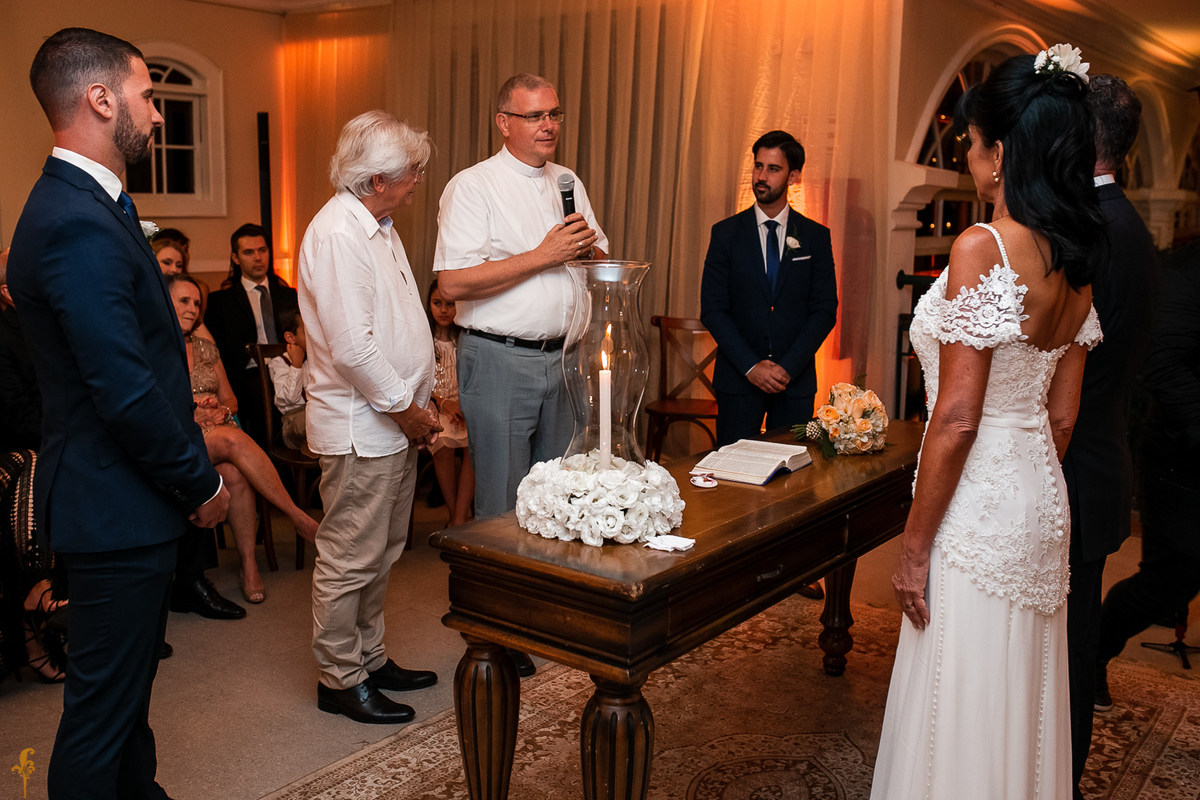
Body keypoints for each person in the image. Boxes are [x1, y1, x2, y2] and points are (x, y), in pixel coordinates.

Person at [870, 45, 1104, 799]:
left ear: (1000, 155)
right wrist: (1025, 480)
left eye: (970, 144)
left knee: (960, 691)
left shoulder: (984, 246)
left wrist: (913, 548)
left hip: (976, 501)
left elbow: (959, 415)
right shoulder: (1074, 258)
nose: (967, 158)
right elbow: (1061, 417)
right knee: (1020, 690)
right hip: (1038, 495)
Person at [6, 27, 229, 800]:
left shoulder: (92, 203)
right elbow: (123, 389)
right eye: (147, 96)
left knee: (125, 700)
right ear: (101, 99)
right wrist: (200, 484)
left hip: (121, 501)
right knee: (100, 717)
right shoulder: (72, 217)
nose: (158, 115)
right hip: (113, 503)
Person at [298, 110, 441, 724]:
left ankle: (370, 657)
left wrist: (419, 401)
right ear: (378, 179)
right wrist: (408, 411)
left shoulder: (378, 225)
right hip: (364, 427)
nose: (417, 181)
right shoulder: (339, 233)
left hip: (394, 421)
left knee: (382, 550)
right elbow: (353, 349)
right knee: (350, 556)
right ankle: (340, 677)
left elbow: (396, 323)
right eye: (412, 172)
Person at [433, 73, 609, 520]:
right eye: (534, 116)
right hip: (501, 359)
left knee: (560, 497)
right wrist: (543, 256)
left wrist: (586, 250)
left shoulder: (567, 180)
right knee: (503, 505)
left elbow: (601, 256)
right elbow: (452, 284)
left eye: (554, 114)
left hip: (564, 356)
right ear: (504, 122)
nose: (548, 125)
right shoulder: (473, 186)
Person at [1058, 74, 1159, 797]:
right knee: (1072, 640)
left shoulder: (1089, 233)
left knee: (1064, 652)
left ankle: (1057, 780)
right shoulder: (1133, 228)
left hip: (1068, 470)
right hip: (1099, 465)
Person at [1094, 239, 1200, 708]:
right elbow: (1162, 362)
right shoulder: (1187, 270)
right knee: (1169, 582)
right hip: (1182, 458)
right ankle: (1095, 652)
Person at [168, 274, 319, 602]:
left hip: (217, 428)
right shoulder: (155, 349)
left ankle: (248, 564)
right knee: (233, 441)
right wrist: (191, 414)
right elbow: (151, 406)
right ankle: (296, 515)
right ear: (164, 302)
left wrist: (218, 409)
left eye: (197, 303)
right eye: (184, 301)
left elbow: (231, 400)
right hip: (180, 435)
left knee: (234, 474)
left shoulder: (207, 349)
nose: (192, 308)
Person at [700, 130, 839, 447]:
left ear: (793, 176)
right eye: (758, 166)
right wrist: (751, 367)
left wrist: (788, 368)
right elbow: (713, 309)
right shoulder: (725, 234)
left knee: (791, 471)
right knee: (734, 470)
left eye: (773, 169)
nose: (761, 177)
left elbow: (824, 309)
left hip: (794, 383)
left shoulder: (815, 237)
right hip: (738, 381)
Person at [205, 223, 299, 449]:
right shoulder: (221, 301)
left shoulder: (288, 294)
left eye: (262, 250)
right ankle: (270, 459)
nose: (258, 257)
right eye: (248, 252)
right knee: (259, 392)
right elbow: (217, 353)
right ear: (235, 258)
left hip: (290, 366)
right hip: (249, 375)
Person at [426, 279, 475, 527]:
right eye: (437, 303)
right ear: (429, 304)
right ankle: (455, 514)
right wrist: (444, 404)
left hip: (464, 405)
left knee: (475, 446)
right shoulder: (423, 340)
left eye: (450, 304)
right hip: (435, 406)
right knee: (442, 442)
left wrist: (463, 406)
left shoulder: (465, 339)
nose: (444, 310)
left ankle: (460, 516)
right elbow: (419, 383)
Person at [0, 248, 43, 452]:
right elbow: (19, 412)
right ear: (8, 292)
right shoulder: (5, 337)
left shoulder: (48, 322)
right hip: (34, 451)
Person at [268, 307, 311, 453]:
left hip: (315, 412)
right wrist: (296, 365)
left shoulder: (314, 360)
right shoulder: (279, 363)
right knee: (312, 420)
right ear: (290, 337)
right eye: (307, 331)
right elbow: (291, 398)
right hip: (293, 421)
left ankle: (317, 449)